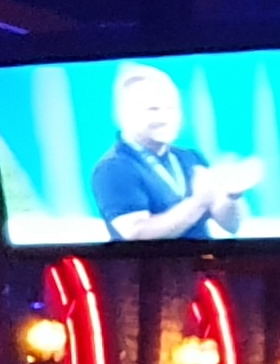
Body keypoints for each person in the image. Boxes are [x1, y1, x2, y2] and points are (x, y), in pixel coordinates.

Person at [85, 62, 260, 242]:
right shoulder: (113, 168)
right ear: (126, 113)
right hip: (147, 261)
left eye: (171, 109)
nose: (164, 118)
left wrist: (232, 195)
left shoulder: (190, 158)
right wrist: (198, 202)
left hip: (203, 259)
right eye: (153, 109)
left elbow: (231, 225)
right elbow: (137, 234)